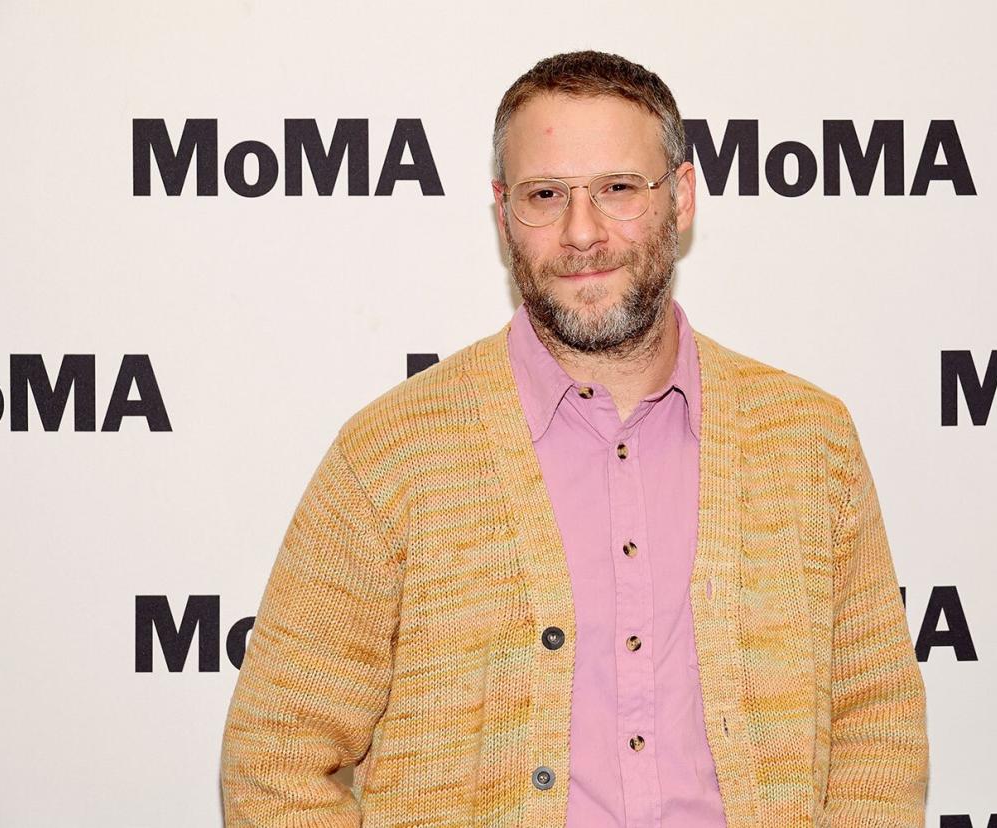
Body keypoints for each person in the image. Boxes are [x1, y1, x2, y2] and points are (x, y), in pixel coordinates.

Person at [220, 50, 928, 827]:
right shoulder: (388, 459)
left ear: (681, 197)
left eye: (619, 189)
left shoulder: (809, 440)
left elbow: (876, 728)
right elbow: (277, 761)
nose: (581, 232)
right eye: (546, 195)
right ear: (502, 213)